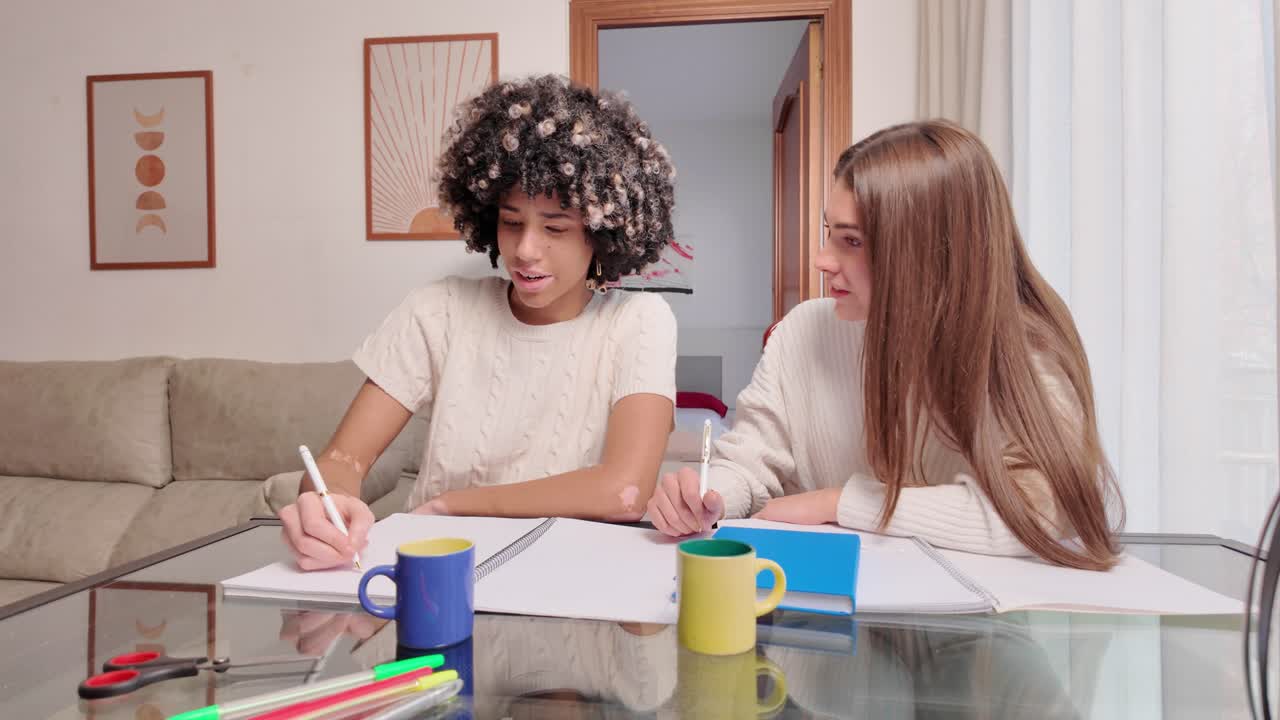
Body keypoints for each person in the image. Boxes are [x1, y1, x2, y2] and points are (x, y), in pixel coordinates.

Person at [647, 120, 1122, 570]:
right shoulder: (802, 331)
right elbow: (751, 465)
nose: (821, 260)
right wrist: (707, 496)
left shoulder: (1026, 354)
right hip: (822, 626)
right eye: (829, 232)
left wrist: (840, 504)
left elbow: (1040, 510)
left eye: (851, 241)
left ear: (929, 251)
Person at [281, 74, 680, 571]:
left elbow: (623, 491)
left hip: (570, 582)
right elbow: (341, 461)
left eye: (555, 227)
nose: (525, 249)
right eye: (511, 222)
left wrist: (457, 504)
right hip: (438, 570)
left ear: (601, 236)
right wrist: (326, 501)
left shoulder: (639, 322)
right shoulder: (439, 311)